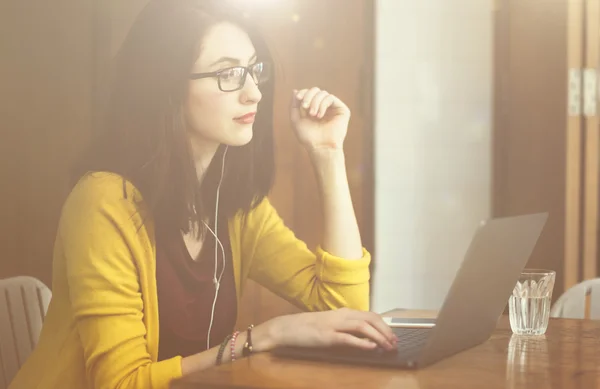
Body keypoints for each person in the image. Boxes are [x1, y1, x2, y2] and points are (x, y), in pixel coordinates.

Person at [8, 1, 397, 388]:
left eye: (253, 69)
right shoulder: (104, 202)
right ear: (167, 86)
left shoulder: (233, 204)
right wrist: (264, 336)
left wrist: (327, 154)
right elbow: (120, 384)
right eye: (228, 73)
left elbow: (346, 313)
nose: (253, 94)